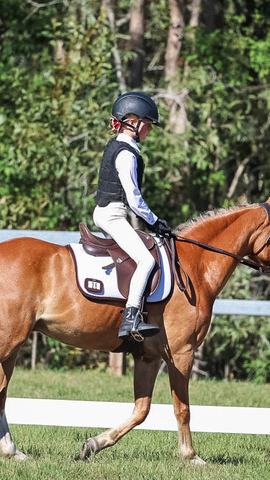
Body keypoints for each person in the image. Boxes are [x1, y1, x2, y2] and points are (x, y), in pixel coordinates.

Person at [93, 91, 173, 341]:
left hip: (111, 214)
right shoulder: (126, 153)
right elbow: (134, 198)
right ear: (133, 123)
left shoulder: (118, 145)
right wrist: (155, 221)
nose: (149, 131)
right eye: (147, 125)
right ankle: (131, 318)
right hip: (112, 216)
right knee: (147, 261)